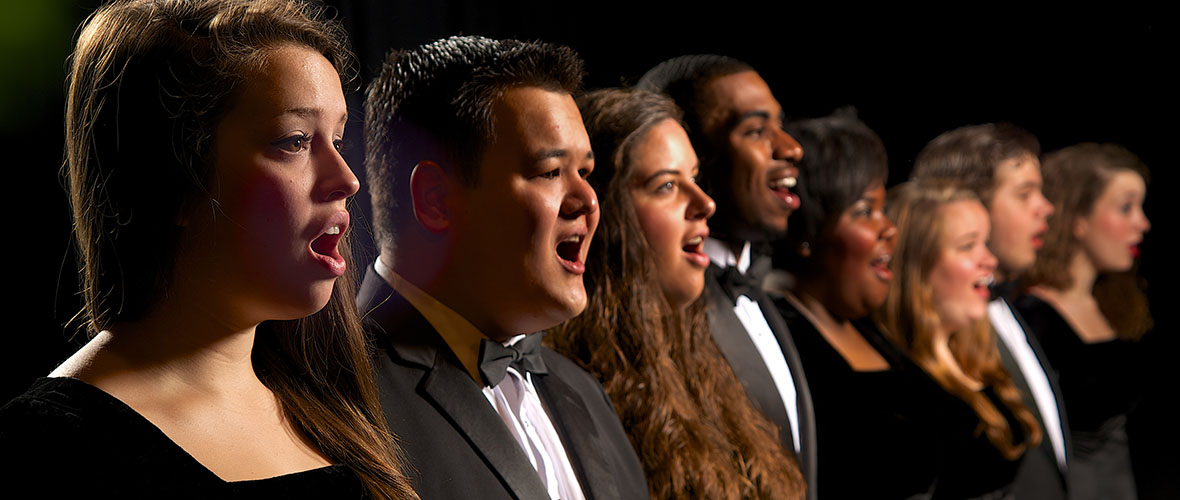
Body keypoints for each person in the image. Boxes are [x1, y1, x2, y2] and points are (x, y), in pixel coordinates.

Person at [0, 1, 416, 498]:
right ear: (171, 177)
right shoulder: (46, 448)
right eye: (295, 141)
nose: (347, 181)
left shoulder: (332, 406)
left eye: (339, 139)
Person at [361, 36, 648, 500]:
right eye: (551, 172)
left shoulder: (585, 394)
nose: (589, 202)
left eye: (586, 173)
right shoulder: (338, 401)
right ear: (435, 201)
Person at [549, 88, 804, 499]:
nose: (704, 203)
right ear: (607, 212)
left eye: (696, 179)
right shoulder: (570, 389)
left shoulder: (700, 356)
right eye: (667, 186)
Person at [638, 55, 817, 499]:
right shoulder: (659, 313)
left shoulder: (756, 289)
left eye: (780, 124)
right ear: (693, 152)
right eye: (756, 130)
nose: (791, 147)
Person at [766, 113, 951, 498]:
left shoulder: (872, 331)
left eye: (883, 208)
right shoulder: (781, 343)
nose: (889, 228)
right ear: (807, 234)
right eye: (865, 211)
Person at [912, 123, 1070, 499]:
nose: (1045, 208)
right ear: (970, 204)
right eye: (1024, 193)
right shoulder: (944, 333)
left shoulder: (1010, 309)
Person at [879, 180, 1043, 498]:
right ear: (917, 265)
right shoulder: (899, 385)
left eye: (985, 243)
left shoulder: (976, 359)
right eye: (968, 246)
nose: (990, 261)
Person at [1015, 143, 1153, 500]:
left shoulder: (1116, 308)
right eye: (1125, 208)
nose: (1142, 223)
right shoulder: (1033, 318)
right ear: (1077, 218)